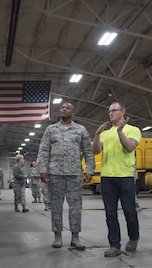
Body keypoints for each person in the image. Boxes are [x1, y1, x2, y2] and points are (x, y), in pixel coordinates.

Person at [37, 102, 95, 250]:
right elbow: (43, 150)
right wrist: (42, 169)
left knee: (75, 207)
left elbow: (88, 151)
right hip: (55, 174)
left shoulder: (81, 130)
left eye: (67, 108)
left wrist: (89, 170)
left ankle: (75, 237)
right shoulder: (51, 130)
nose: (64, 109)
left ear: (73, 113)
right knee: (56, 206)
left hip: (74, 174)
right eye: (62, 107)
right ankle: (58, 236)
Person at [93, 102, 142, 257]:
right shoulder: (105, 134)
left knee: (129, 210)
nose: (111, 113)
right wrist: (96, 135)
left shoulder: (133, 130)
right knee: (110, 213)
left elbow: (129, 147)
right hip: (107, 178)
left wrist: (121, 132)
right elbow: (95, 151)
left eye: (114, 110)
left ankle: (133, 237)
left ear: (123, 112)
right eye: (109, 111)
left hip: (125, 177)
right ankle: (114, 245)